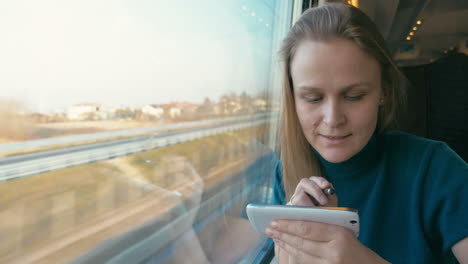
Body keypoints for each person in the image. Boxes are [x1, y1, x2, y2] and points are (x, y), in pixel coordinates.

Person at [264, 3, 468, 264]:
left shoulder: (436, 168)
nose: (333, 119)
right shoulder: (285, 175)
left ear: (383, 91)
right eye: (313, 98)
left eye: (354, 96)